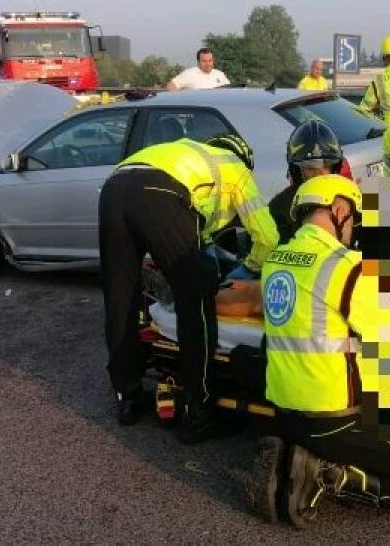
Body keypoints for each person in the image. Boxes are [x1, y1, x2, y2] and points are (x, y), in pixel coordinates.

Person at [248, 174, 390, 527]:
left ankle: (299, 452)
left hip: (283, 407)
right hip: (334, 417)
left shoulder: (275, 261)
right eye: (354, 218)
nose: (353, 227)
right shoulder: (346, 267)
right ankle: (329, 473)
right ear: (340, 210)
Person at [97, 134, 278, 443]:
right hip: (160, 194)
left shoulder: (186, 156)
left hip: (113, 189)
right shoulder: (235, 168)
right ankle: (201, 410)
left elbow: (194, 231)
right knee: (196, 299)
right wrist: (247, 269)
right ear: (244, 159)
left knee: (120, 297)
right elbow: (267, 237)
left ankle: (127, 396)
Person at [267, 120, 349, 245]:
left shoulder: (355, 200)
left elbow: (383, 259)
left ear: (335, 167)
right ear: (297, 170)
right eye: (310, 168)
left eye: (326, 166)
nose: (320, 175)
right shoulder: (279, 209)